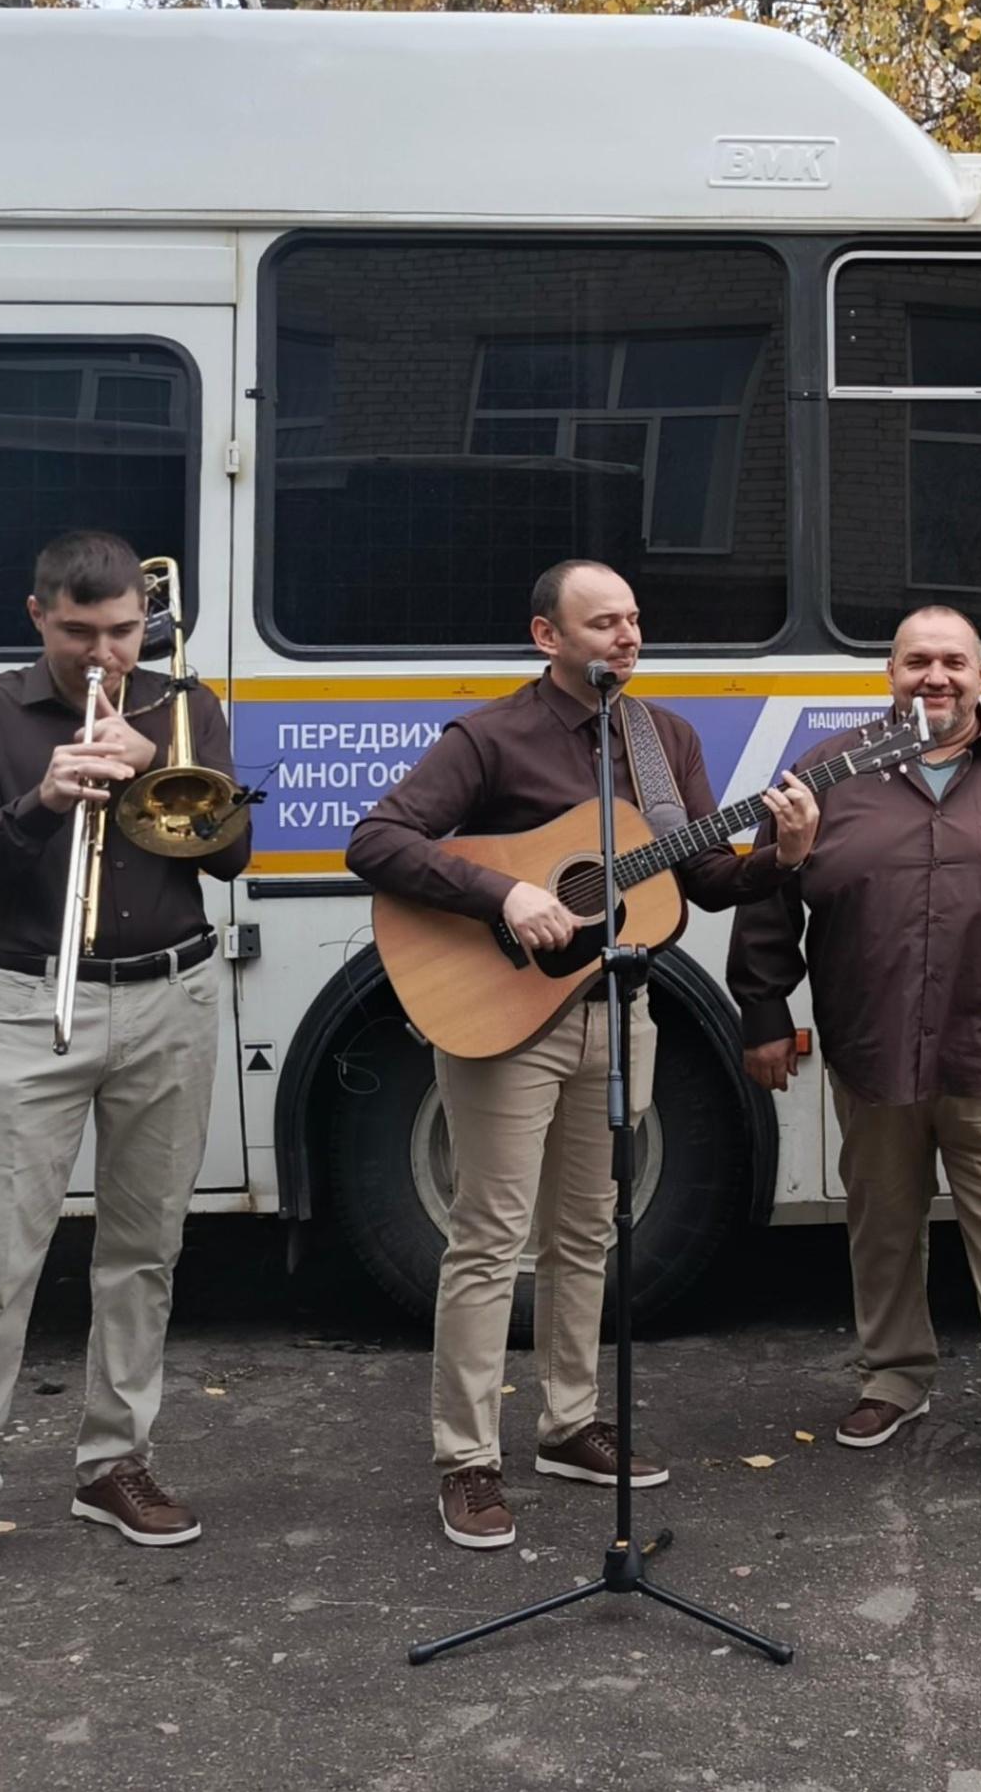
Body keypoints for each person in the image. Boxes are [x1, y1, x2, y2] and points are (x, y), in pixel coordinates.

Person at [347, 561, 818, 1550]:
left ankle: (568, 1421)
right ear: (547, 636)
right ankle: (467, 1459)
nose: (626, 636)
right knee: (488, 1234)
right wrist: (504, 896)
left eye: (634, 620)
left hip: (619, 1005)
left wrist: (784, 851)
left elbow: (703, 880)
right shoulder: (489, 736)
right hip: (505, 1014)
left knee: (589, 1227)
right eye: (602, 622)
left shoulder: (664, 739)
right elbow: (378, 839)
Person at [0, 530, 253, 1590]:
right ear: (38, 615)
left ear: (146, 620)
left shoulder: (183, 703)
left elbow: (231, 853)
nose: (105, 654)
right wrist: (45, 798)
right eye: (81, 631)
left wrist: (161, 764)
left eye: (122, 631)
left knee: (143, 1250)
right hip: (31, 1000)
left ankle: (115, 1462)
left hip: (174, 995)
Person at [730, 604, 981, 1507]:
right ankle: (894, 1380)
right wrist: (761, 1012)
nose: (934, 678)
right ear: (889, 674)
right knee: (882, 1226)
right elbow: (769, 896)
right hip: (871, 1049)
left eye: (953, 661)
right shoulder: (825, 776)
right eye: (916, 662)